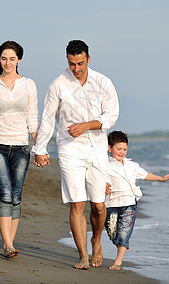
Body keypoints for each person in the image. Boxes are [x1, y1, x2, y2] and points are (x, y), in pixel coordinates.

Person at [33, 40, 119, 269]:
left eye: (80, 63)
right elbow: (48, 118)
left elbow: (111, 116)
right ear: (67, 61)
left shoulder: (103, 83)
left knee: (99, 205)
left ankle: (96, 240)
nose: (76, 68)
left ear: (89, 59)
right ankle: (82, 255)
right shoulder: (58, 85)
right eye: (72, 64)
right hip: (69, 149)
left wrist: (87, 125)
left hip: (98, 148)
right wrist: (40, 149)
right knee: (76, 203)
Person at [0, 41, 39, 258]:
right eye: (3, 58)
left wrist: (39, 147)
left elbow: (32, 117)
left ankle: (10, 242)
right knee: (4, 193)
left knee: (16, 195)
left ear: (19, 60)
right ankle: (6, 244)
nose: (7, 63)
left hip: (21, 145)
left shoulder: (29, 85)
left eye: (12, 59)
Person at [105, 131, 169, 270]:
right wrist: (104, 186)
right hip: (111, 203)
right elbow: (99, 179)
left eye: (125, 149)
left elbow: (145, 174)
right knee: (112, 232)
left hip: (129, 202)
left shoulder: (132, 165)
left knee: (124, 231)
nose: (122, 152)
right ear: (109, 148)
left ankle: (118, 261)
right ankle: (119, 241)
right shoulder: (105, 164)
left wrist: (161, 178)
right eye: (118, 149)